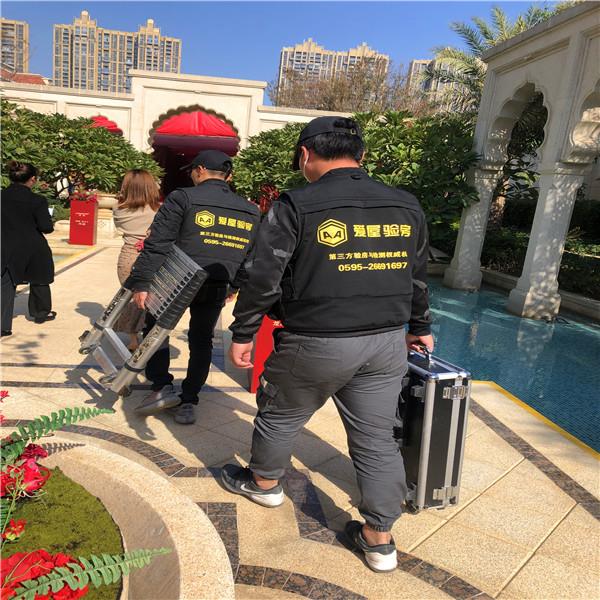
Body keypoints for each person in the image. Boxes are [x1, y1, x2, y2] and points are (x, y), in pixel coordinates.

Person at [222, 117, 434, 573]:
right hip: (385, 344)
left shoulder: (296, 205)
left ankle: (264, 484)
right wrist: (420, 325)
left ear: (305, 155)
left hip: (315, 342)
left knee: (281, 415)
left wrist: (243, 332)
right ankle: (380, 539)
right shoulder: (406, 204)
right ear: (362, 156)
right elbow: (417, 274)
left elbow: (263, 277)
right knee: (377, 438)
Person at [128, 150, 260, 425]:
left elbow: (158, 243)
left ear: (199, 170)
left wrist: (142, 282)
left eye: (192, 171)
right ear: (229, 177)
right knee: (202, 340)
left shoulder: (183, 197)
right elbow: (251, 257)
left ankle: (161, 386)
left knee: (156, 331)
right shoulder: (250, 210)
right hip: (216, 284)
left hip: (175, 280)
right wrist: (233, 286)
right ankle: (189, 400)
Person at [1, 161, 56, 336]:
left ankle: (3, 326)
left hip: (5, 244)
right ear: (32, 179)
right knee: (40, 277)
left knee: (6, 282)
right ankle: (40, 312)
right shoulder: (37, 200)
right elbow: (46, 227)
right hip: (33, 246)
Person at [113, 169, 160, 351]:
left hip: (128, 255)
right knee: (152, 301)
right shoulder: (159, 210)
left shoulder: (118, 209)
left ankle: (133, 339)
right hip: (152, 257)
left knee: (132, 299)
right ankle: (150, 336)